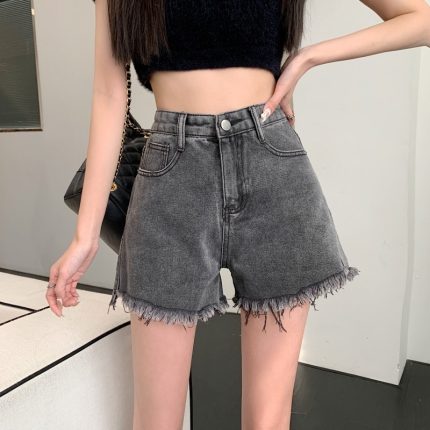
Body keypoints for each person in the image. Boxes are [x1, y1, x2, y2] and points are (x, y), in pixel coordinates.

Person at [46, 0, 430, 429]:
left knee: (268, 421)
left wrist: (308, 57)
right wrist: (84, 236)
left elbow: (422, 19)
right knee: (156, 421)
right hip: (171, 183)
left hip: (272, 170)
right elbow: (109, 94)